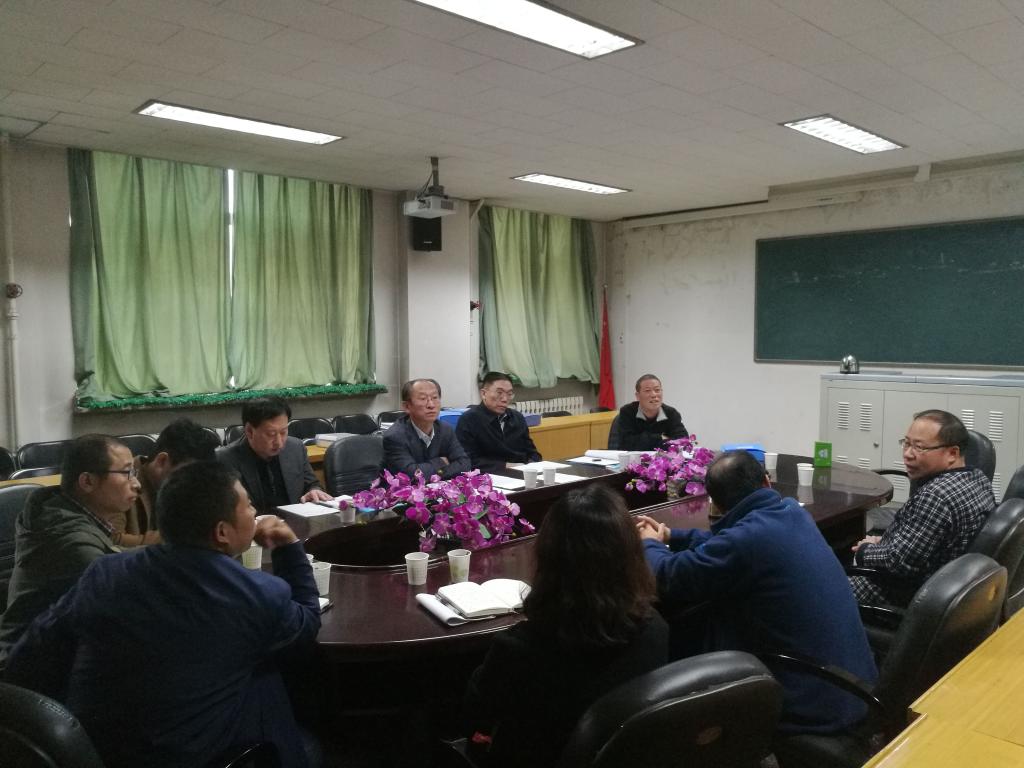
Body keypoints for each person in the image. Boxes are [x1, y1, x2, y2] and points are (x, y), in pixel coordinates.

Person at [5, 461, 321, 768]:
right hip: (187, 755)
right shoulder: (256, 594)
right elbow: (306, 623)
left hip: (98, 750)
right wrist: (288, 546)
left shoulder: (106, 573)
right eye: (249, 505)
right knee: (270, 679)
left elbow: (35, 651)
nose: (254, 513)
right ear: (222, 532)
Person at [637, 450, 877, 735]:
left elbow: (670, 576)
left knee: (690, 627)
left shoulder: (746, 540)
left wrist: (649, 544)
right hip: (853, 684)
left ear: (716, 503)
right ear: (766, 482)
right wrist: (672, 536)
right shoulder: (792, 511)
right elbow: (727, 541)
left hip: (815, 702)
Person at [463, 484, 668, 767]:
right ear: (630, 554)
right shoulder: (656, 628)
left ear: (549, 559)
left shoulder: (520, 649)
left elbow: (474, 716)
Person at [0, 434, 139, 666]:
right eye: (127, 473)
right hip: (24, 667)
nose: (136, 483)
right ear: (87, 482)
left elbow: (116, 555)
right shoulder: (69, 541)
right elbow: (120, 581)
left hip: (49, 651)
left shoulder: (67, 511)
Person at [850, 409, 995, 606]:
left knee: (814, 591)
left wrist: (865, 550)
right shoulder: (978, 479)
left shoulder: (936, 496)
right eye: (906, 443)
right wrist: (885, 542)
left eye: (919, 447)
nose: (907, 454)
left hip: (895, 591)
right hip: (945, 585)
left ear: (952, 453)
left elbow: (899, 562)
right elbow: (924, 540)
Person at [109, 418, 220, 547]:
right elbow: (113, 541)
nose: (191, 484)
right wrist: (181, 535)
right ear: (161, 461)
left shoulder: (186, 488)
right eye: (187, 475)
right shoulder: (120, 481)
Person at [218, 397, 332, 512]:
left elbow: (312, 484)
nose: (279, 442)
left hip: (295, 520)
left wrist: (314, 490)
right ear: (249, 431)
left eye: (283, 432)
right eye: (271, 434)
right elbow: (227, 510)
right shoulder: (225, 459)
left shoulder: (295, 448)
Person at [383, 378, 470, 480]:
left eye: (435, 397)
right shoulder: (395, 436)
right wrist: (440, 462)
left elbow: (465, 464)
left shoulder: (445, 429)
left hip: (439, 487)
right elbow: (411, 475)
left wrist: (439, 473)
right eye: (423, 399)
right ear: (406, 406)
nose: (431, 405)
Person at [456, 371, 541, 474]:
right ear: (483, 394)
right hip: (488, 477)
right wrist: (506, 466)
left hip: (522, 472)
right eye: (499, 393)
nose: (505, 399)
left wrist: (531, 465)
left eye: (509, 394)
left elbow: (533, 453)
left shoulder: (517, 418)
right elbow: (468, 461)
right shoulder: (469, 420)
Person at [608, 374, 688, 451]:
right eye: (647, 391)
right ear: (637, 396)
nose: (654, 395)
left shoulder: (671, 413)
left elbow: (683, 440)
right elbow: (627, 444)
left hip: (662, 459)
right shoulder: (627, 412)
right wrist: (660, 437)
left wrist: (644, 440)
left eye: (657, 390)